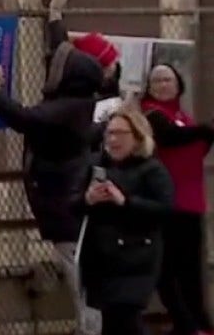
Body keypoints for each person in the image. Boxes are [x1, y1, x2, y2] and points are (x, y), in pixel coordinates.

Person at [0, 8, 103, 335]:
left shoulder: (67, 108)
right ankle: (89, 325)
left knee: (75, 265)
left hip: (63, 200)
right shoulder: (77, 100)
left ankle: (90, 327)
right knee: (76, 264)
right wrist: (54, 20)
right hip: (63, 199)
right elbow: (66, 58)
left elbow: (25, 118)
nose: (49, 67)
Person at [77, 109, 173, 335]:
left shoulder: (152, 169)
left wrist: (126, 201)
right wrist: (87, 199)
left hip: (136, 257)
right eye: (109, 133)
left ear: (138, 137)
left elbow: (164, 209)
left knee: (126, 318)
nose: (113, 140)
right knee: (112, 323)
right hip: (101, 260)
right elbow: (72, 205)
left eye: (120, 133)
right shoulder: (96, 166)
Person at [139, 63, 214, 335]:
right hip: (167, 204)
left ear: (178, 84)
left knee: (191, 271)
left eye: (168, 80)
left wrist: (205, 132)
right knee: (167, 270)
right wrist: (206, 130)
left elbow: (197, 144)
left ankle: (199, 323)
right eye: (156, 81)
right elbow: (171, 138)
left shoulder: (182, 114)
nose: (162, 85)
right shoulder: (150, 114)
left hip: (191, 202)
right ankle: (187, 324)